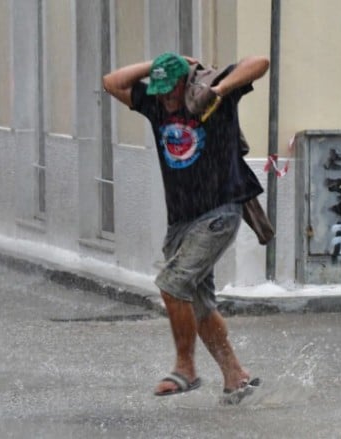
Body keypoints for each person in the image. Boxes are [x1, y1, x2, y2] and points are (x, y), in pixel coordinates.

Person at [102, 52, 270, 405]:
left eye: (170, 89)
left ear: (186, 82)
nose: (165, 97)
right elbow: (111, 82)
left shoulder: (213, 97)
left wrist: (220, 89)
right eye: (159, 89)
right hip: (181, 220)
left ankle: (186, 368)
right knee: (197, 302)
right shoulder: (156, 105)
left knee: (173, 284)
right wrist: (156, 64)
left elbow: (261, 61)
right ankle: (235, 376)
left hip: (219, 210)